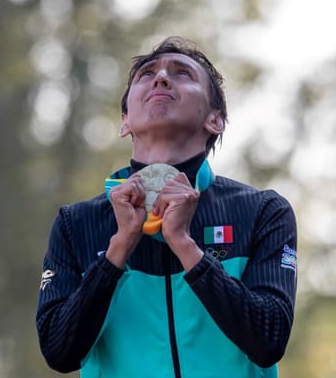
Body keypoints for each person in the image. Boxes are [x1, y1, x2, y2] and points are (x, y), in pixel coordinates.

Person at [36, 36, 297, 378]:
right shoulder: (76, 223)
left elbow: (269, 340)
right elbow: (59, 352)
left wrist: (187, 247)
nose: (160, 78)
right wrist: (119, 249)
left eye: (182, 73)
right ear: (125, 120)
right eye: (147, 74)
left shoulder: (263, 211)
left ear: (215, 120)